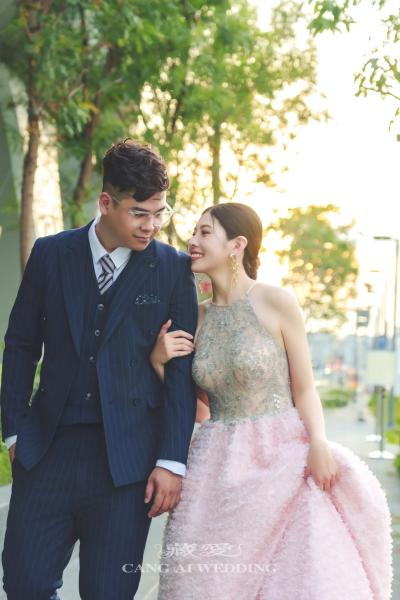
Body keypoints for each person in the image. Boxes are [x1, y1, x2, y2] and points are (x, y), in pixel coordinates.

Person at [150, 202, 393, 599]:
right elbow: (198, 407)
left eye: (205, 232)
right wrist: (159, 363)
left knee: (294, 577)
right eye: (193, 232)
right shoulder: (194, 318)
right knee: (201, 583)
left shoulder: (277, 302)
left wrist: (318, 443)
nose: (192, 241)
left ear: (237, 245)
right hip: (214, 466)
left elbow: (304, 388)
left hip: (281, 453)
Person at [0, 140, 198, 599]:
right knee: (25, 585)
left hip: (127, 463)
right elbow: (21, 345)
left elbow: (181, 373)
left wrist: (172, 460)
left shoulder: (172, 269)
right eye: (139, 213)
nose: (151, 225)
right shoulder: (51, 254)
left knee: (109, 593)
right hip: (47, 450)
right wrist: (14, 431)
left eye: (160, 213)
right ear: (106, 203)